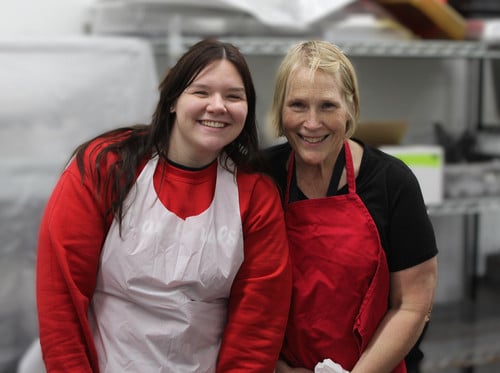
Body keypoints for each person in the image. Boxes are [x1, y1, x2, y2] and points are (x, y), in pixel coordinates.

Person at [36, 38, 292, 373]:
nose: (218, 106)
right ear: (172, 100)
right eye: (201, 92)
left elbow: (257, 328)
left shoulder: (256, 195)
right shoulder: (106, 165)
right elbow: (61, 296)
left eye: (234, 96)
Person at [264, 40, 438, 373]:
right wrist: (279, 368)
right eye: (298, 105)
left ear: (350, 108)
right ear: (280, 109)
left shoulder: (392, 183)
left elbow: (412, 305)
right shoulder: (262, 177)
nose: (312, 123)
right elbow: (239, 293)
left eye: (327, 106)